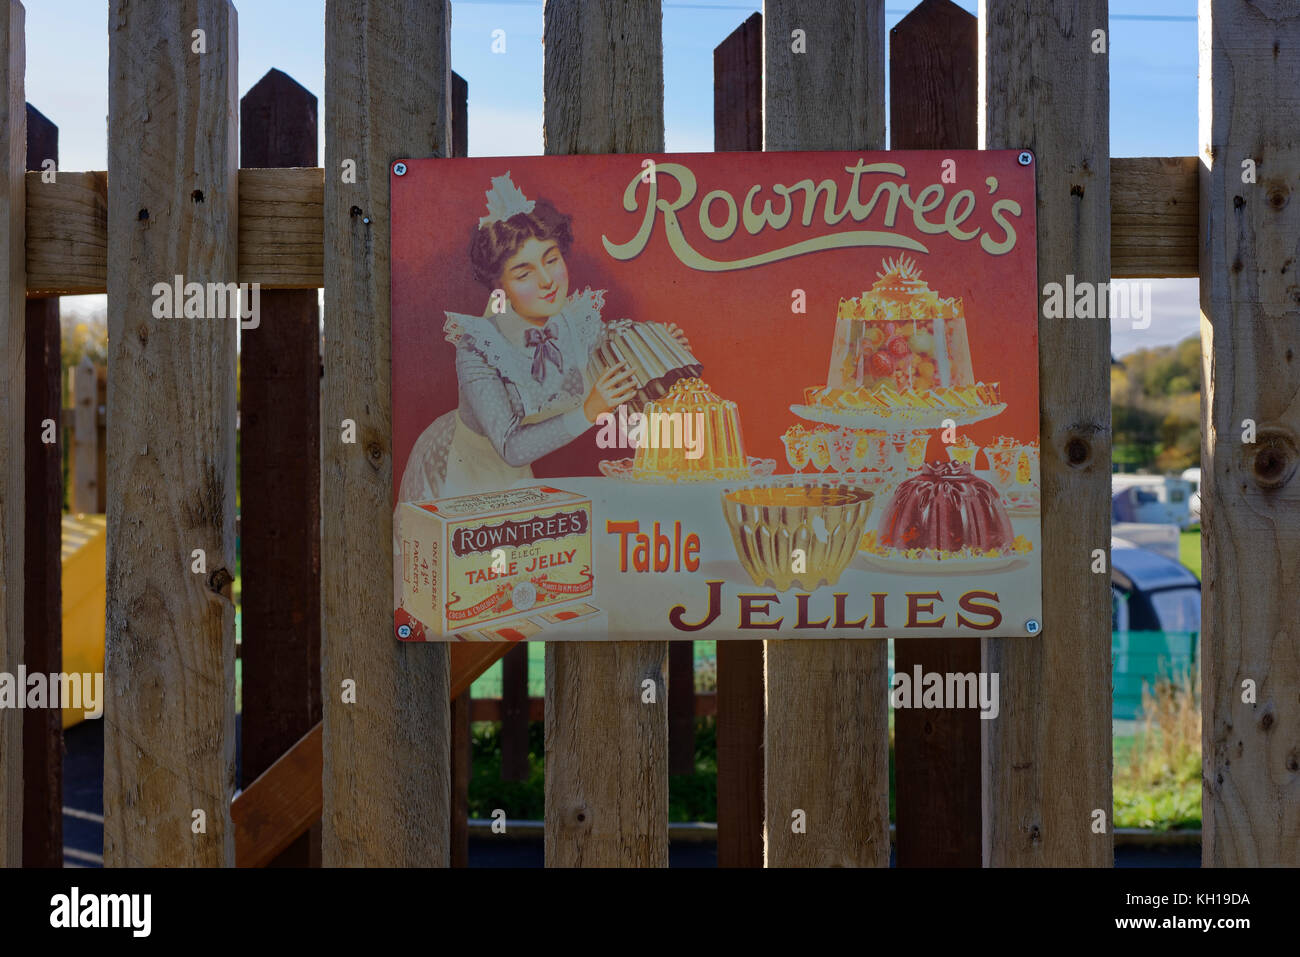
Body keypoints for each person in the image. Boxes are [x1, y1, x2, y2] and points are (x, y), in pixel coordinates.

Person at [397, 170, 690, 503]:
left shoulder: (576, 322)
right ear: (499, 286)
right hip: (463, 474)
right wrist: (590, 410)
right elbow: (511, 447)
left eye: (551, 260)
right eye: (524, 273)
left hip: (517, 480)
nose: (547, 281)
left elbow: (619, 346)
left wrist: (658, 346)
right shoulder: (479, 348)